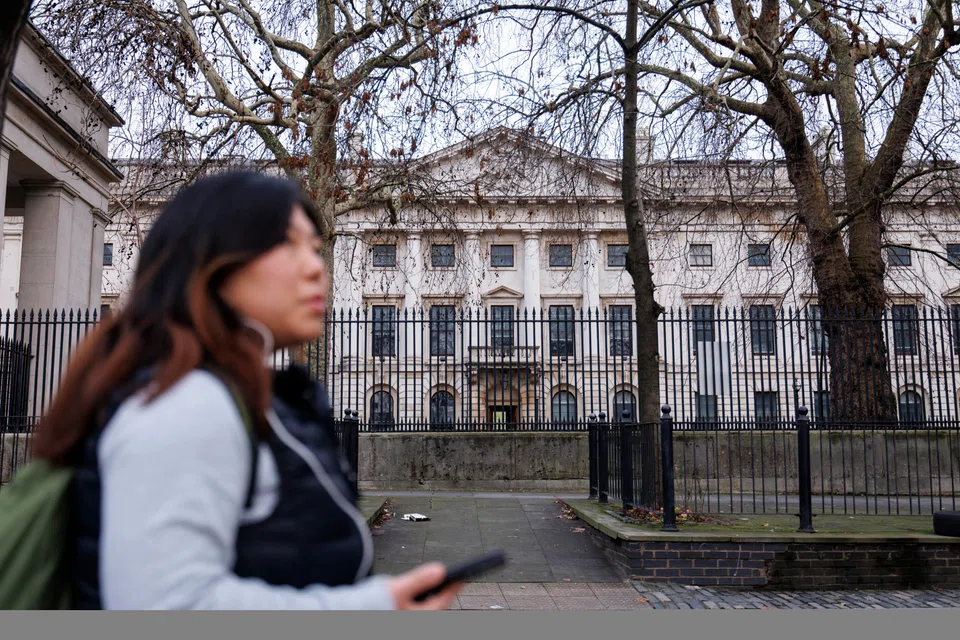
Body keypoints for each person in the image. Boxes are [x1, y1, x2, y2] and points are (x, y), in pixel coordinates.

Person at [29, 171, 461, 610]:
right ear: (215, 261)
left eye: (315, 248)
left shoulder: (224, 393)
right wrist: (374, 607)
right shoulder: (186, 403)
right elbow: (166, 606)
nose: (317, 267)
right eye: (287, 244)